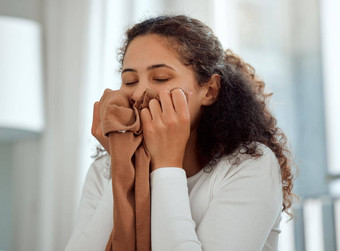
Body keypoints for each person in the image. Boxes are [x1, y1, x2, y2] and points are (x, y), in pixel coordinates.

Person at [65, 15, 295, 251]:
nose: (139, 94)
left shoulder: (249, 165)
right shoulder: (104, 169)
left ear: (210, 90)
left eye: (161, 78)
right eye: (130, 80)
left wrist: (166, 164)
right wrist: (124, 166)